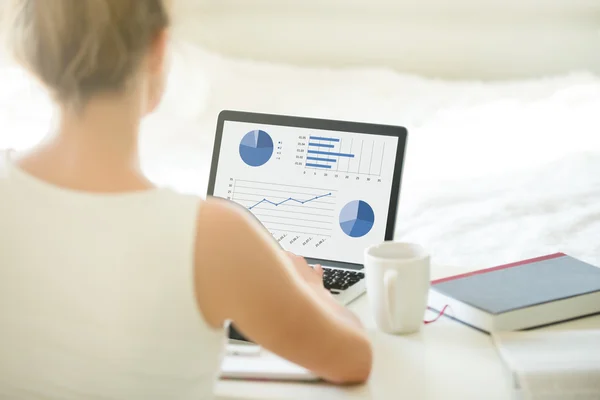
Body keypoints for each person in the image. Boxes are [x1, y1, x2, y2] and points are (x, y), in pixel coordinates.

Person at [0, 1, 373, 399]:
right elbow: (353, 361)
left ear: (36, 55)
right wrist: (311, 290)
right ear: (158, 50)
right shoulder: (216, 234)